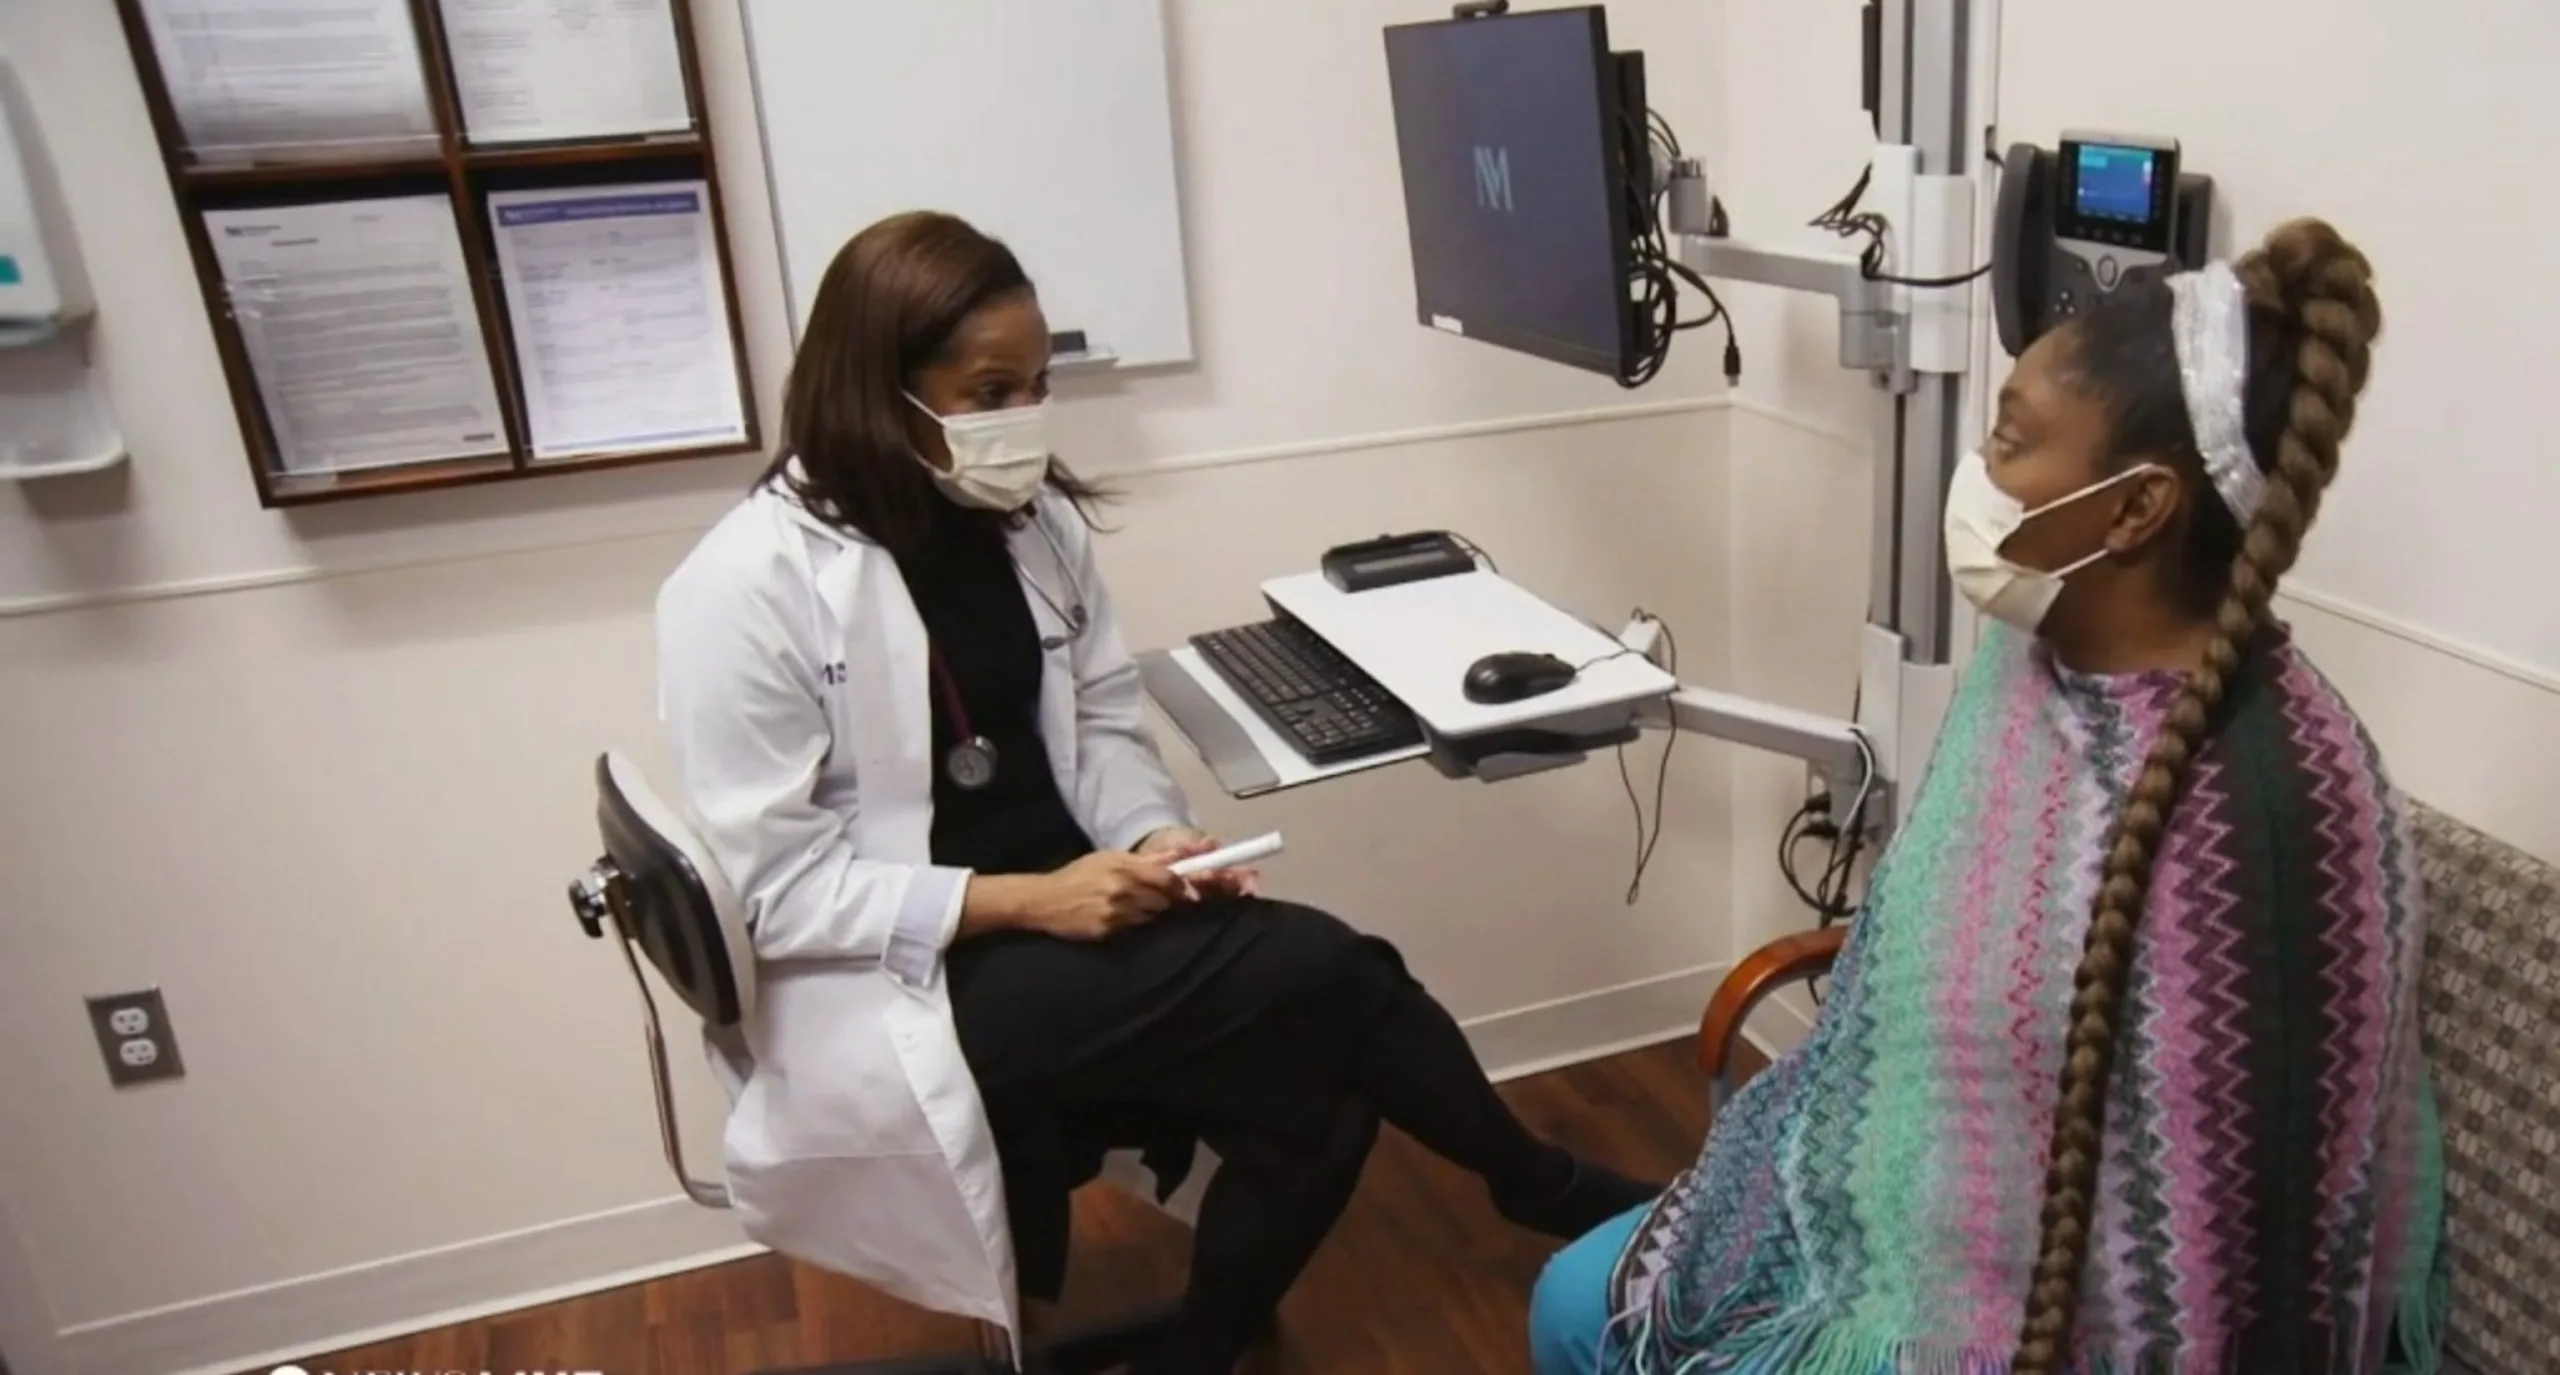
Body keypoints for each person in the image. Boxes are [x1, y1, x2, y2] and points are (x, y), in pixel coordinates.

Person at [655, 210, 1655, 1375]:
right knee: (1332, 973)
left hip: (1084, 913)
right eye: (986, 393)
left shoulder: (1030, 526)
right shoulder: (745, 587)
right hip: (907, 976)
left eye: (1034, 385)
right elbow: (772, 897)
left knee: (1325, 1099)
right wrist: (1031, 900)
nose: (1019, 419)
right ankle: (1535, 1181)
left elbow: (1104, 723)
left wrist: (1157, 834)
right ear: (879, 389)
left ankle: (1205, 1356)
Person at [1529, 218, 2446, 1373]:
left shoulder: (2262, 825)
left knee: (1576, 1313)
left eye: (2010, 440)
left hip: (2018, 1325)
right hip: (1874, 1205)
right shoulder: (2040, 654)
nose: (1979, 473)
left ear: (2132, 509)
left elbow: (2206, 1266)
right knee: (1574, 1292)